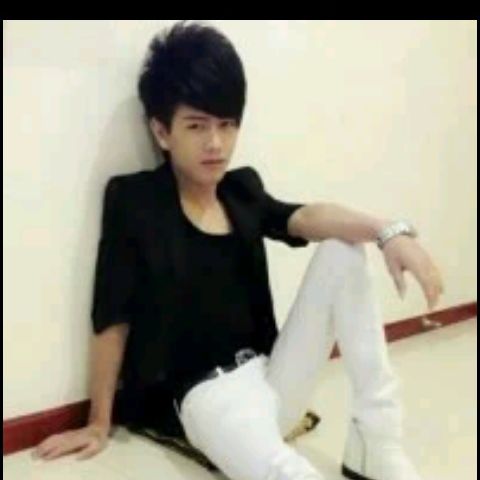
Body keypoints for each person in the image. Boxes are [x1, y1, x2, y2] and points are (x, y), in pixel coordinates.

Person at [34, 21, 444, 480]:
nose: (216, 143)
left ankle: (376, 441)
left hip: (270, 379)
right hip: (202, 399)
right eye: (197, 126)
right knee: (286, 472)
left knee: (342, 252)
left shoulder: (241, 189)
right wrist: (98, 421)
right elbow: (112, 312)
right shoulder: (136, 201)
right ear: (162, 131)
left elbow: (305, 216)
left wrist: (388, 231)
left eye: (227, 125)